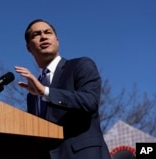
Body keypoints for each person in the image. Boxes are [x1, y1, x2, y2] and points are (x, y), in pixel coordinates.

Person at [14, 19, 111, 159]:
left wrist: (46, 92)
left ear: (57, 40)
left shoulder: (80, 66)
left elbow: (89, 102)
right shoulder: (32, 94)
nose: (43, 36)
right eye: (36, 34)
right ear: (29, 47)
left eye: (48, 32)